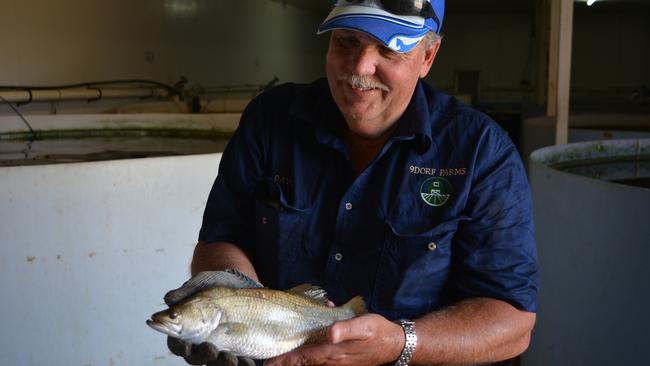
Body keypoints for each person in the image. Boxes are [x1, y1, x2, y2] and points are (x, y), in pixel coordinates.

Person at [167, 0, 539, 365]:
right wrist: (234, 301)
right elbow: (223, 236)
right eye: (347, 41)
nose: (360, 68)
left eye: (390, 49)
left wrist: (400, 343)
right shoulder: (270, 121)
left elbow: (512, 322)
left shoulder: (481, 153)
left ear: (428, 57)